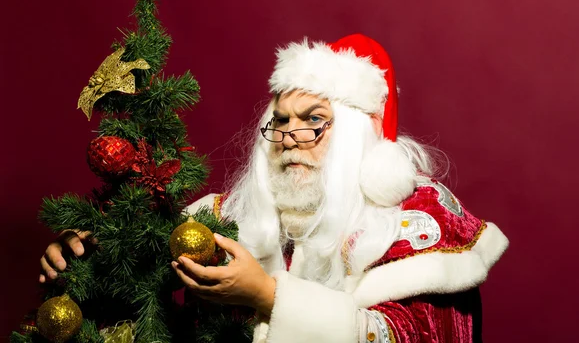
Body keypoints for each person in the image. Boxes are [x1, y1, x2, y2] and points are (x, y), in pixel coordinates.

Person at [40, 34, 508, 342]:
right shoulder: (234, 215)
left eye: (314, 122)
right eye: (280, 122)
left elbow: (410, 335)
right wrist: (87, 257)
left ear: (353, 135)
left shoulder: (420, 220)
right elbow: (142, 282)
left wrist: (268, 296)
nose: (289, 137)